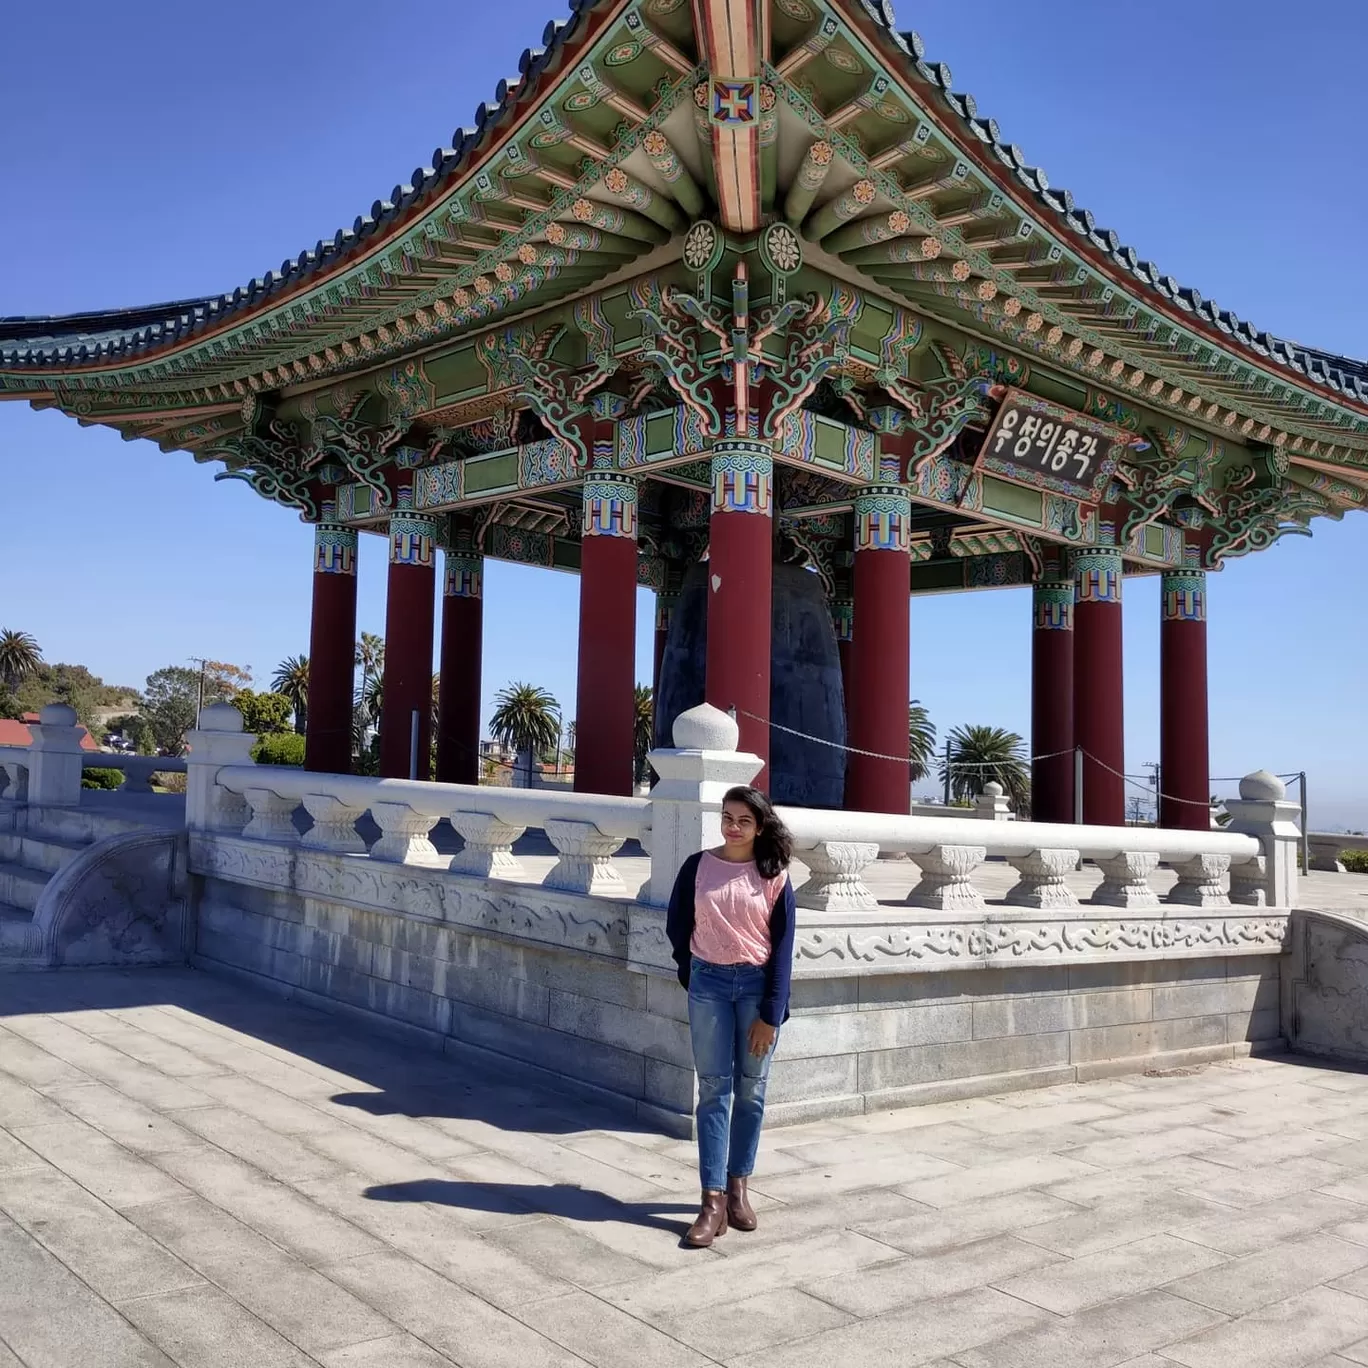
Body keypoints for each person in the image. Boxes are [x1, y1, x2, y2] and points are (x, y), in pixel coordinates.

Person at [665, 784, 796, 1248]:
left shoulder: (774, 876)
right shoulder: (698, 866)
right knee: (714, 1089)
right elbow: (677, 925)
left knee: (752, 1090)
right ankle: (712, 1200)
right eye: (727, 817)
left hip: (757, 989)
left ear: (759, 826)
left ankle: (739, 1186)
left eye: (743, 820)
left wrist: (771, 1014)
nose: (733, 827)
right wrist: (695, 973)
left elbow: (783, 950)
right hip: (709, 986)